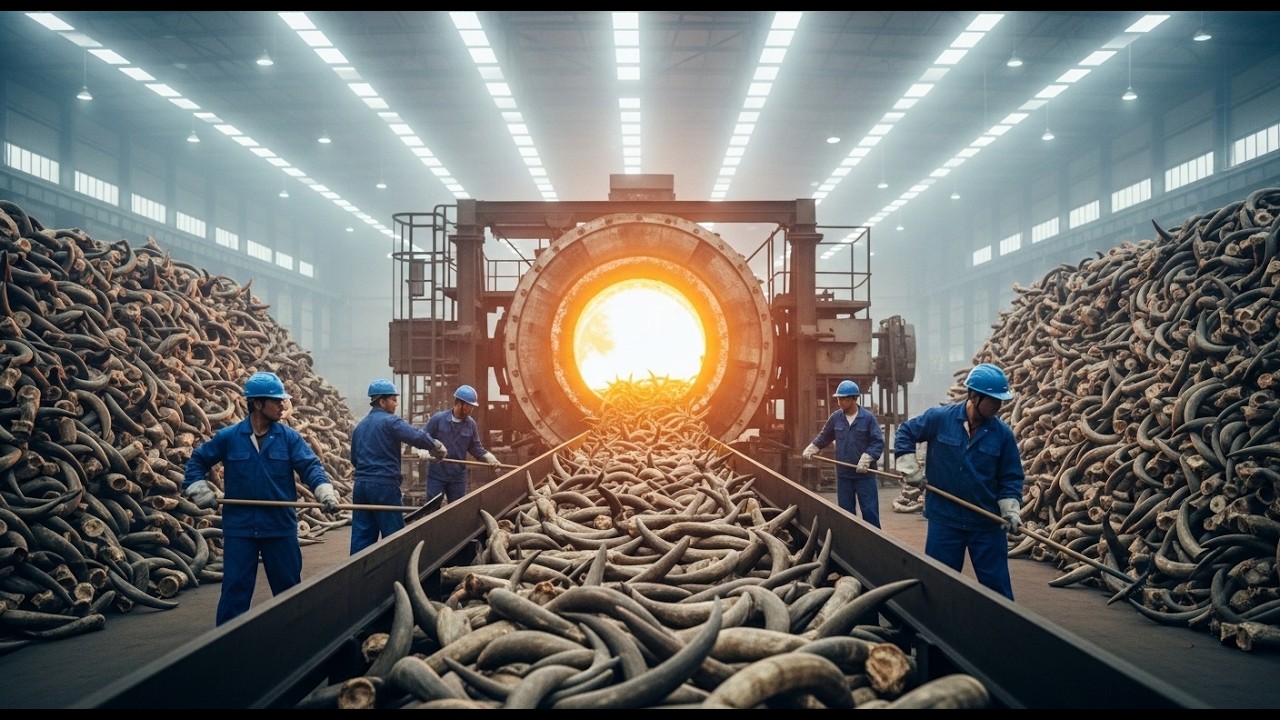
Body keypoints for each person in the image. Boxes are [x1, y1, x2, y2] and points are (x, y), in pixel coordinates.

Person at [183, 371, 340, 626]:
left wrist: (324, 490)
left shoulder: (289, 438)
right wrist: (199, 488)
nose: (282, 406)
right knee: (235, 591)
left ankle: (293, 643)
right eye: (276, 401)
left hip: (279, 527)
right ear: (257, 404)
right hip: (240, 528)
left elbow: (310, 466)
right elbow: (198, 460)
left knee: (289, 591)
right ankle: (227, 645)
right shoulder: (229, 437)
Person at [893, 362, 1026, 601]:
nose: (999, 406)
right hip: (945, 520)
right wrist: (909, 467)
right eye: (994, 400)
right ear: (974, 396)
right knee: (937, 584)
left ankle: (1002, 636)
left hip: (986, 523)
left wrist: (1010, 510)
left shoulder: (1002, 435)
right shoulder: (940, 419)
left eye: (1001, 401)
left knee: (998, 593)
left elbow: (1011, 477)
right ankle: (933, 635)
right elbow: (906, 432)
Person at [348, 379, 447, 555]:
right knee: (394, 537)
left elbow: (354, 458)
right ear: (382, 401)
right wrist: (436, 446)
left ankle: (357, 579)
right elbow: (416, 436)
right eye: (393, 399)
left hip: (361, 486)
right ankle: (397, 576)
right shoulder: (391, 421)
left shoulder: (360, 427)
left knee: (362, 538)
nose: (396, 403)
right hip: (384, 486)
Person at [802, 380, 885, 527]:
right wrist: (813, 447)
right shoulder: (836, 418)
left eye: (843, 399)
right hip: (844, 475)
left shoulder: (868, 418)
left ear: (854, 398)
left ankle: (873, 547)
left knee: (870, 512)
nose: (839, 402)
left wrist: (867, 457)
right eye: (838, 399)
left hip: (864, 476)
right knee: (846, 514)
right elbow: (824, 436)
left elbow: (877, 442)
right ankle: (850, 545)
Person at [421, 384, 502, 504]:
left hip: (457, 476)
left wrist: (489, 458)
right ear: (459, 403)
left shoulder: (471, 424)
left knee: (457, 509)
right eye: (469, 406)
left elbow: (476, 448)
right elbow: (422, 437)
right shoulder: (438, 419)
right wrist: (422, 451)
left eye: (472, 407)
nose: (471, 410)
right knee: (432, 508)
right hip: (437, 473)